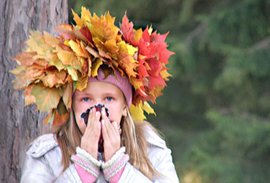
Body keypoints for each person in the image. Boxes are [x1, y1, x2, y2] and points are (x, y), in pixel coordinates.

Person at [12, 7, 179, 183]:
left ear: (124, 106)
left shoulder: (150, 150)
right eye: (86, 99)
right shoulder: (48, 154)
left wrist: (120, 171)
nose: (98, 110)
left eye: (109, 98)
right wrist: (82, 171)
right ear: (72, 105)